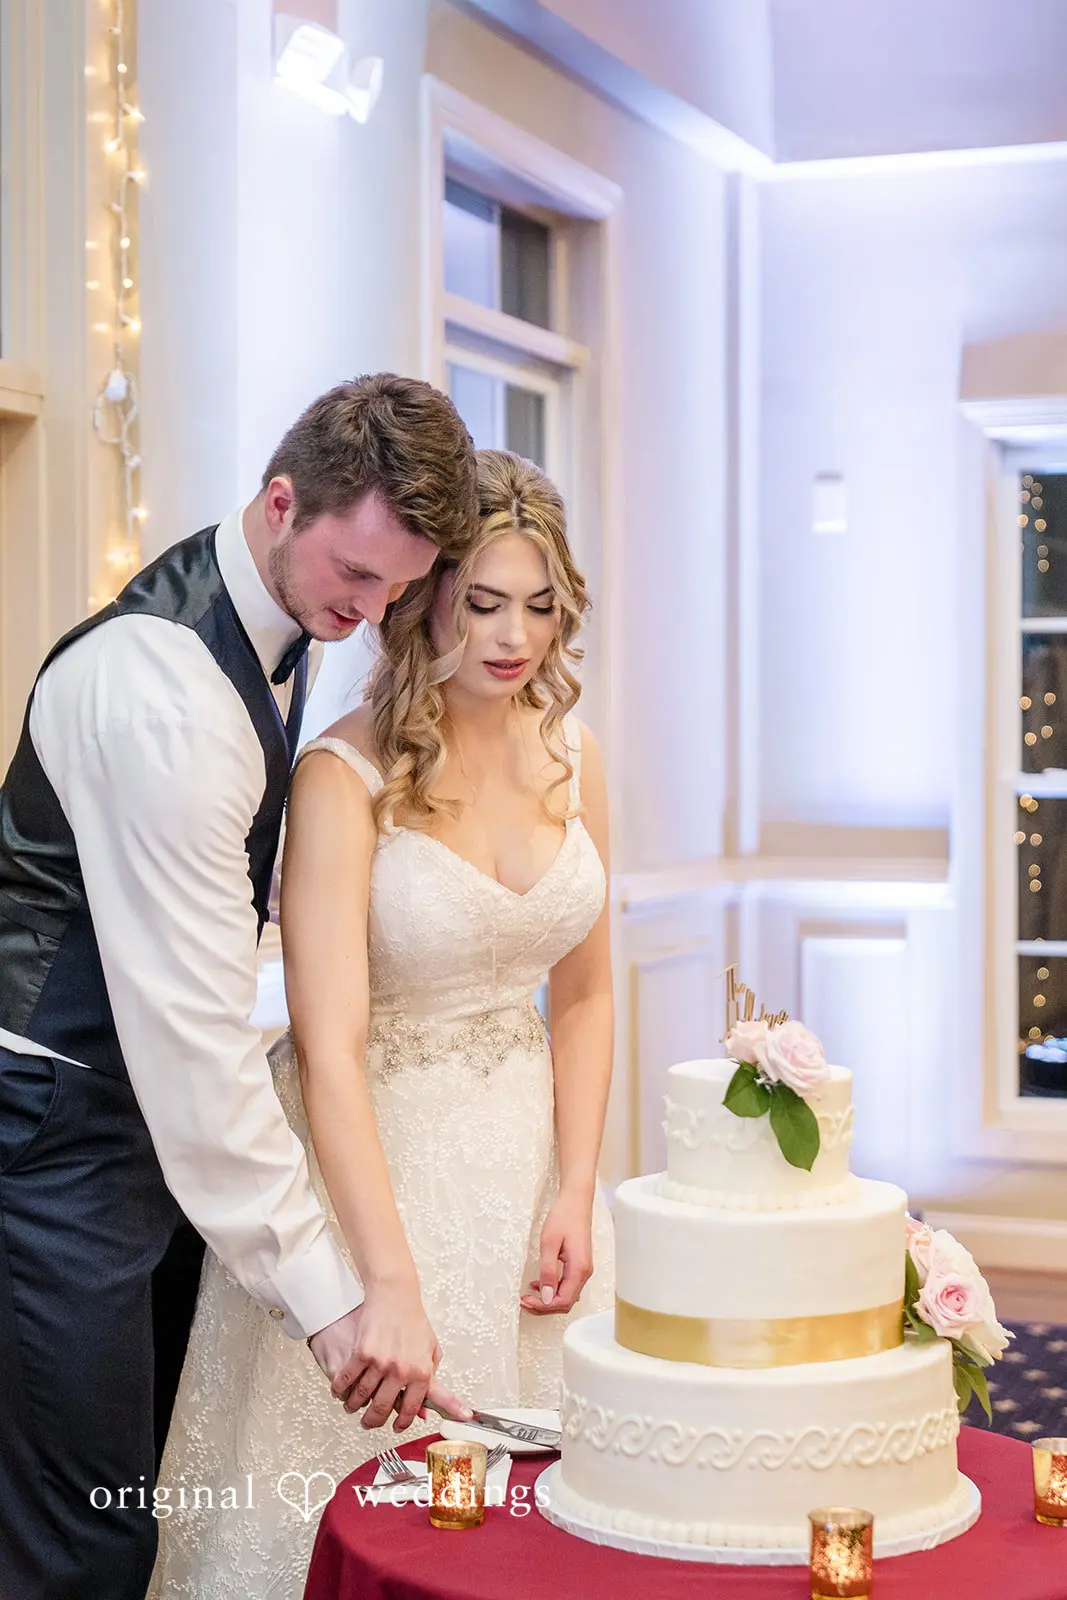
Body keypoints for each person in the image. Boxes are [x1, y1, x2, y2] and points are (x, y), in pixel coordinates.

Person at [0, 375, 480, 1600]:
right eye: (357, 577)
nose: (372, 612)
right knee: (79, 1541)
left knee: (122, 1501)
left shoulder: (288, 618)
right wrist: (333, 1312)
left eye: (396, 589)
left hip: (126, 1127)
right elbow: (198, 1058)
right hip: (50, 1141)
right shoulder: (161, 690)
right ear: (281, 501)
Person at [150, 450, 616, 1598]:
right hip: (378, 1173)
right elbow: (328, 1051)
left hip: (530, 1175)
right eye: (484, 603)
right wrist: (385, 1277)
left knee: (553, 1516)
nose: (513, 637)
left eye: (540, 606)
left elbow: (589, 989)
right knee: (382, 1519)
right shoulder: (341, 776)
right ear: (423, 602)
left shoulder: (573, 752)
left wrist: (573, 1184)